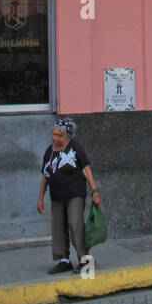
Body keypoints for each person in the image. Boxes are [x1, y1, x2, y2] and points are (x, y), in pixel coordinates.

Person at [36, 117, 101, 274]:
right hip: (56, 195)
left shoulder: (75, 149)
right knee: (58, 227)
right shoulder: (49, 152)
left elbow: (86, 170)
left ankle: (85, 260)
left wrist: (95, 191)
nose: (55, 138)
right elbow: (45, 175)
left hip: (75, 194)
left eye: (59, 135)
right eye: (54, 135)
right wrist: (40, 198)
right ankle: (64, 260)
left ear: (68, 136)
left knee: (75, 224)